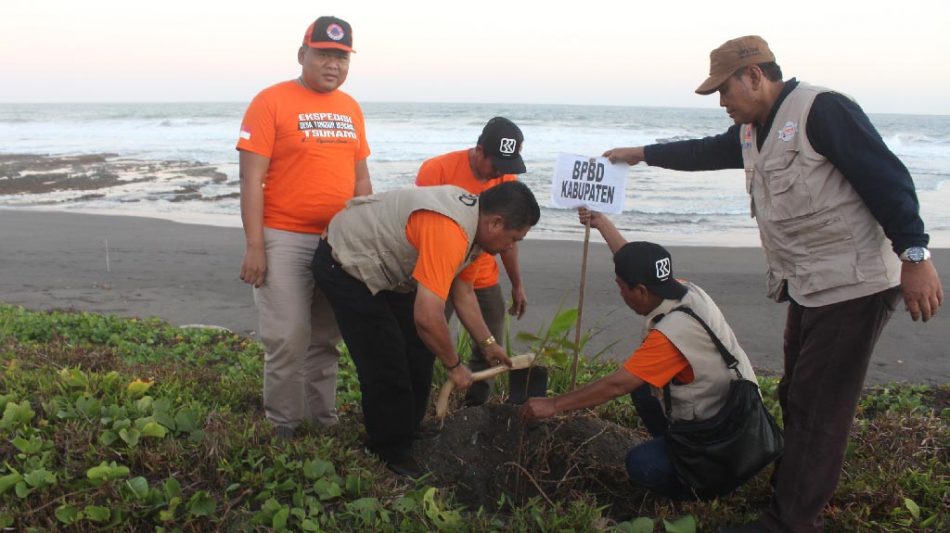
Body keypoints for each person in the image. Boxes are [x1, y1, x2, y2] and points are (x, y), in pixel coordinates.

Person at [601, 36, 944, 532]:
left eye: (725, 91)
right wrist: (643, 154)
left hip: (855, 283)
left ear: (755, 75)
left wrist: (915, 254)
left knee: (818, 403)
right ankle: (793, 495)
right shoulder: (751, 129)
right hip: (807, 284)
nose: (723, 103)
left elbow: (887, 178)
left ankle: (791, 522)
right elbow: (707, 152)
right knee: (796, 394)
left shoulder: (821, 111)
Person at [521, 209, 761, 500]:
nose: (620, 294)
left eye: (621, 288)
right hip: (734, 409)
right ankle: (674, 446)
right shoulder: (684, 290)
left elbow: (617, 384)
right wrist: (602, 224)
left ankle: (697, 486)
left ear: (642, 291)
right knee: (643, 391)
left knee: (642, 465)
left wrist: (552, 405)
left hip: (726, 436)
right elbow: (632, 261)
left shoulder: (672, 333)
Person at [312, 181, 541, 478]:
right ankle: (388, 451)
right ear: (495, 222)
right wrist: (455, 366)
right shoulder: (450, 230)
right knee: (386, 359)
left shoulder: (477, 234)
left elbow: (464, 293)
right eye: (514, 238)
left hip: (391, 267)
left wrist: (487, 343)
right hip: (345, 261)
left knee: (419, 350)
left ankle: (408, 430)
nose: (512, 247)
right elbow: (427, 316)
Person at [236, 16, 372, 439]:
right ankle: (284, 425)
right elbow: (250, 180)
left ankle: (323, 421)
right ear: (303, 54)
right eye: (324, 54)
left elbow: (361, 179)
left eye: (341, 57)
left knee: (326, 339)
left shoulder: (350, 107)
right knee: (288, 337)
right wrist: (255, 246)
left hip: (337, 242)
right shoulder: (270, 101)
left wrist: (366, 234)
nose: (333, 64)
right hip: (284, 237)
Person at [415, 116, 528, 406]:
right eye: (496, 165)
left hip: (482, 275)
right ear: (479, 151)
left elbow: (509, 240)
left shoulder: (505, 178)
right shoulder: (437, 169)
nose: (499, 174)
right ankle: (420, 402)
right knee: (426, 339)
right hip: (441, 270)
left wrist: (517, 285)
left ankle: (475, 410)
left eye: (506, 167)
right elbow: (422, 229)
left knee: (490, 344)